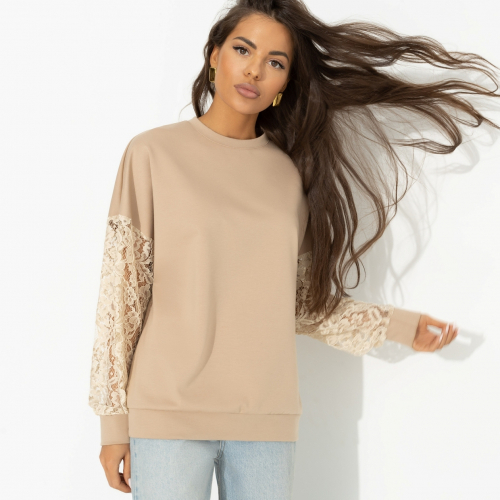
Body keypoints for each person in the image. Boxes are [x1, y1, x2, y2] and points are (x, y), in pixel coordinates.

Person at [88, 0, 499, 498]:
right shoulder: (152, 153)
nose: (254, 71)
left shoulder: (288, 176)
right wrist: (113, 424)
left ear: (285, 83)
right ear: (214, 55)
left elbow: (303, 304)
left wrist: (401, 327)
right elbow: (122, 294)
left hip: (266, 417)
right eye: (243, 50)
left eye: (276, 62)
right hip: (166, 414)